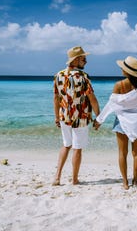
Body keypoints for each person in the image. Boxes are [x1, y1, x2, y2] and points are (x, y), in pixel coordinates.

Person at [94, 56, 137, 190]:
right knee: (136, 153)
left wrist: (99, 120)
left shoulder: (119, 85)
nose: (121, 69)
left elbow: (111, 105)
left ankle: (125, 182)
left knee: (122, 153)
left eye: (123, 68)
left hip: (121, 122)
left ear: (126, 72)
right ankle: (135, 182)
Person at [52, 46, 100, 186]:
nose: (86, 61)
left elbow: (56, 98)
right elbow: (92, 99)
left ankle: (57, 177)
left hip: (64, 117)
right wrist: (99, 117)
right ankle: (74, 179)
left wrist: (56, 117)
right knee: (77, 148)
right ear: (77, 59)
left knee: (66, 145)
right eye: (84, 58)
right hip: (81, 117)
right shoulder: (83, 77)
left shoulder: (58, 75)